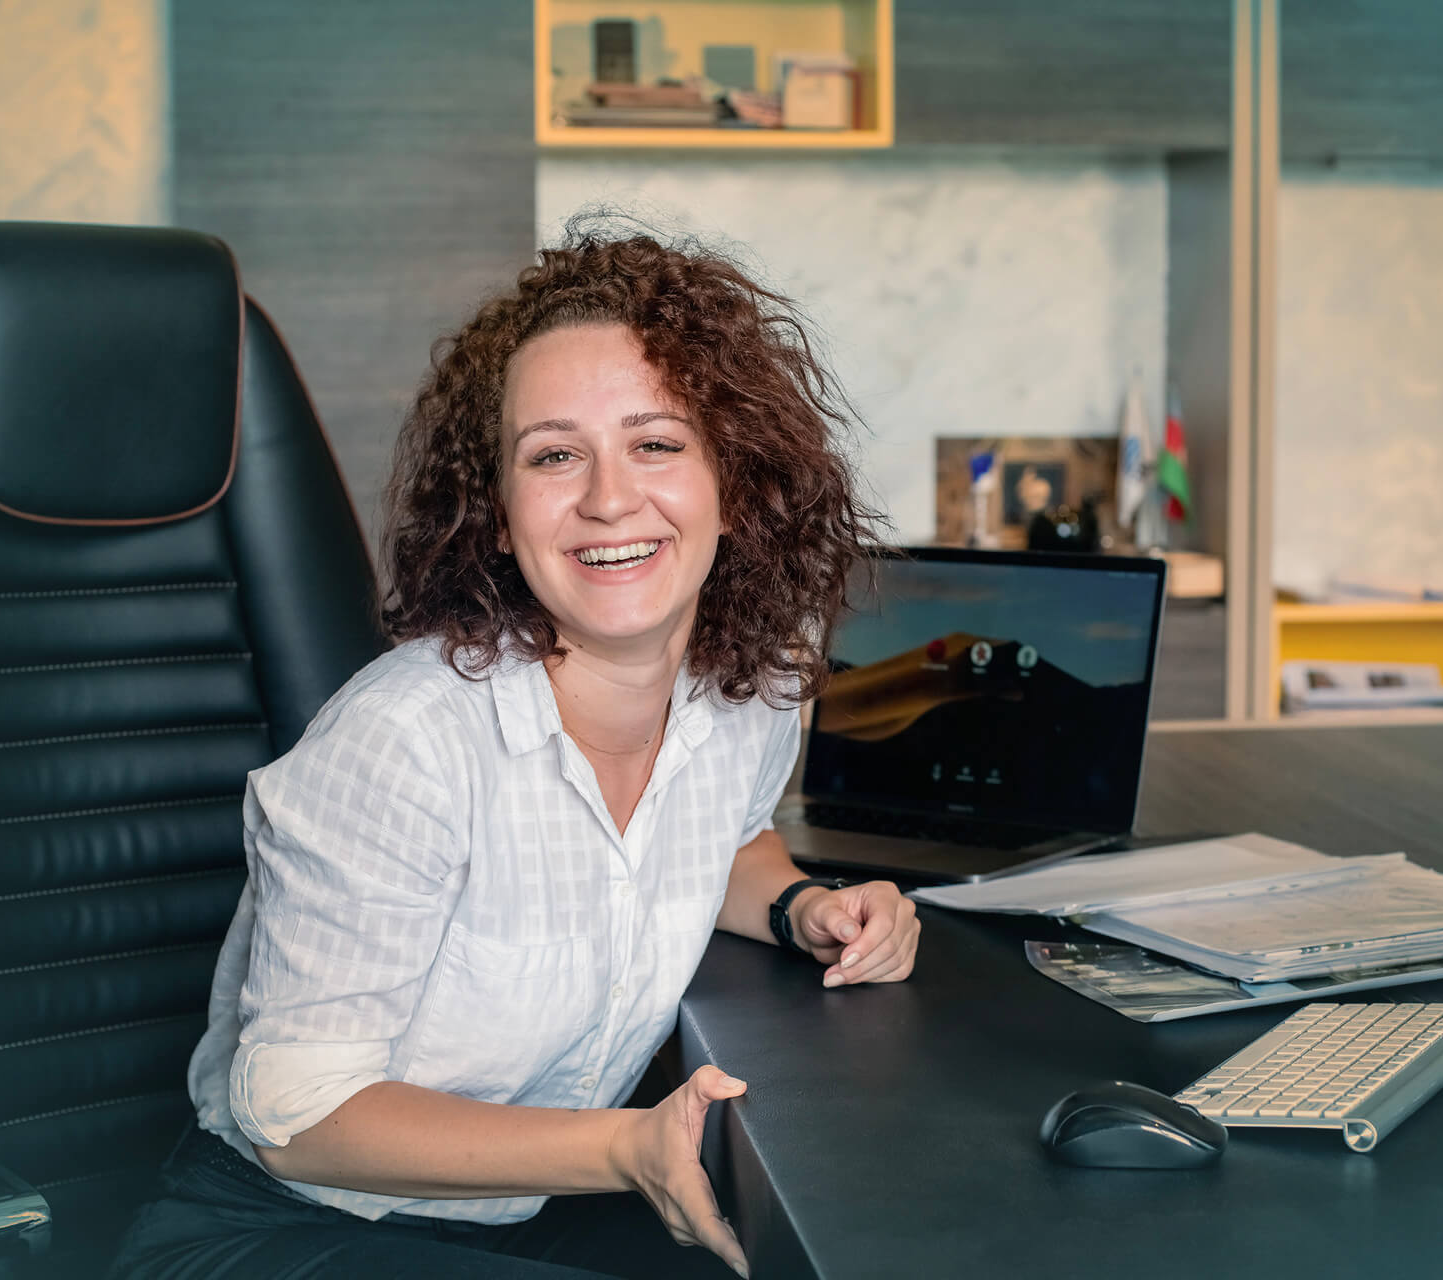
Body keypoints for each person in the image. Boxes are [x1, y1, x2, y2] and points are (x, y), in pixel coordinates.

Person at [109, 228, 910, 1280]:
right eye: (552, 453)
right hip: (283, 1223)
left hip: (528, 1206)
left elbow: (719, 832)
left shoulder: (744, 695)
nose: (608, 496)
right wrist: (626, 1145)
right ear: (495, 514)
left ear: (736, 482)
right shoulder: (406, 739)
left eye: (656, 443)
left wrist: (801, 905)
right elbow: (296, 1117)